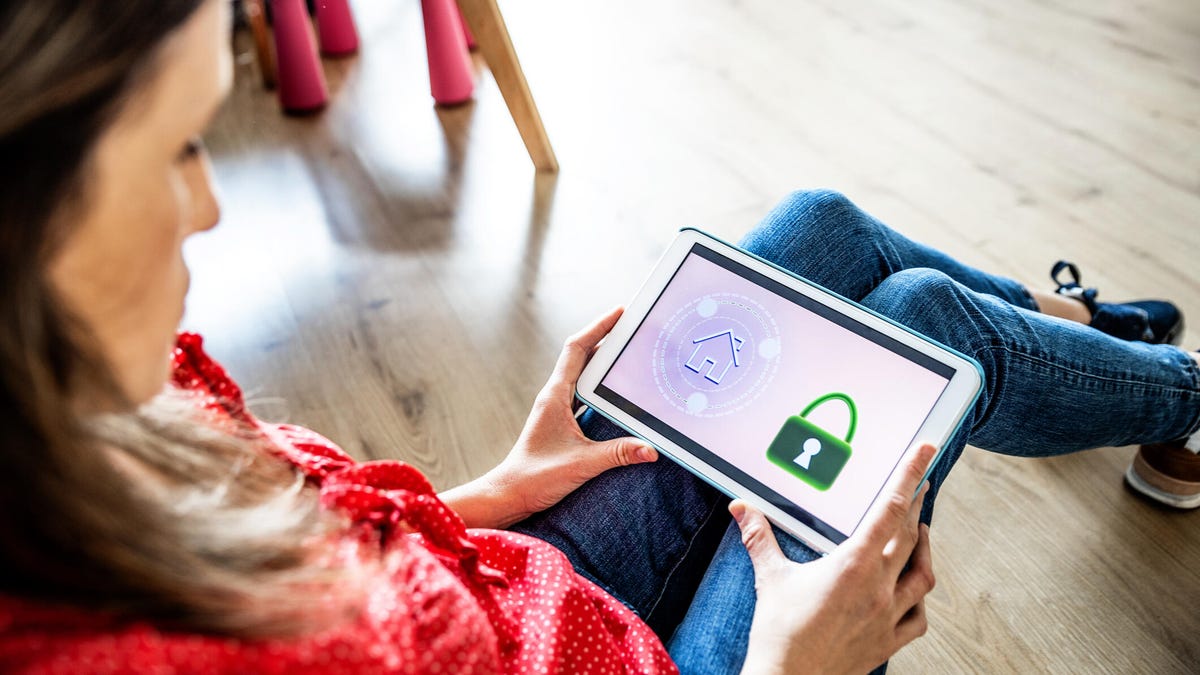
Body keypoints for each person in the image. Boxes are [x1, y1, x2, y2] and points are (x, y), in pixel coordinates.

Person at [1, 0, 1197, 673]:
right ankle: (1172, 388)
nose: (209, 204)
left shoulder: (88, 403)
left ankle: (1069, 329)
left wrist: (480, 495)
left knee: (819, 228)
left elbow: (298, 543)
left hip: (503, 580)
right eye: (180, 146)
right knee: (923, 329)